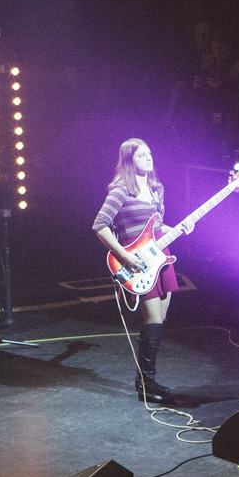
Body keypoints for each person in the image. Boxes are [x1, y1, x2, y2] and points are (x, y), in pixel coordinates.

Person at [92, 138, 196, 403]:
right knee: (153, 321)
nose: (149, 158)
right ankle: (146, 386)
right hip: (137, 263)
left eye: (150, 153)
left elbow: (157, 227)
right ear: (129, 161)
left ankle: (146, 380)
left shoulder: (155, 188)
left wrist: (179, 228)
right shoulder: (120, 191)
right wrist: (124, 256)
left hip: (161, 258)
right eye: (141, 155)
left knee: (158, 324)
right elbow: (100, 225)